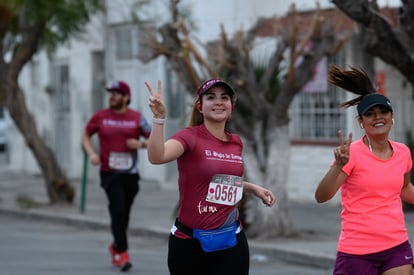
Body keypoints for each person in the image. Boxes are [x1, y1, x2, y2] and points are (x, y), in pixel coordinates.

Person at [144, 78, 276, 275]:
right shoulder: (189, 137)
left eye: (224, 97)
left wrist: (253, 188)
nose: (219, 102)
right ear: (200, 106)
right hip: (190, 243)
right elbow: (157, 156)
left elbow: (219, 180)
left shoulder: (236, 142)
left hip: (231, 239)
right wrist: (159, 119)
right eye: (211, 97)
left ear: (231, 106)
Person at [315, 65, 414, 275]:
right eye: (370, 114)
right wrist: (338, 166)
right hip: (357, 252)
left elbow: (404, 188)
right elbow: (322, 196)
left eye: (383, 112)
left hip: (396, 246)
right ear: (361, 122)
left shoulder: (403, 152)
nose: (378, 117)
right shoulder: (351, 154)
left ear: (391, 116)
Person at [82, 80, 151, 272]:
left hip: (130, 173)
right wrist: (92, 154)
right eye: (110, 93)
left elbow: (153, 139)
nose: (112, 96)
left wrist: (141, 145)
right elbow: (86, 135)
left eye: (116, 93)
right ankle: (123, 253)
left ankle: (116, 246)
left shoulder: (137, 118)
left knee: (124, 212)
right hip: (109, 172)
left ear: (126, 97)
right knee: (117, 209)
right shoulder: (101, 116)